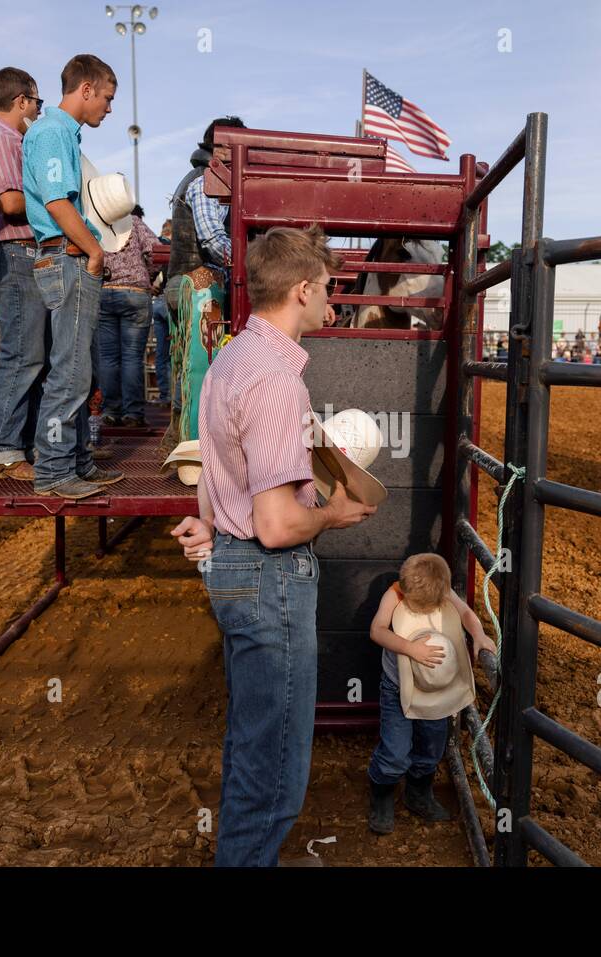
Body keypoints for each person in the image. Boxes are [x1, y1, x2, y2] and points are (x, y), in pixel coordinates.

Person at [169, 224, 378, 867]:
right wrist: (334, 514)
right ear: (303, 289)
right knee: (280, 766)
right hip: (270, 576)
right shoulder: (277, 381)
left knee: (253, 740)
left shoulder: (231, 356)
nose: (333, 305)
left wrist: (211, 520)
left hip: (233, 567)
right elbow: (280, 525)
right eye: (329, 292)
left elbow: (209, 459)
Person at [21, 53, 124, 499]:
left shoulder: (58, 132)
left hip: (66, 255)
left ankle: (76, 461)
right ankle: (55, 471)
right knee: (71, 370)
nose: (109, 106)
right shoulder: (53, 131)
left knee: (79, 367)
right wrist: (95, 250)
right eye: (106, 96)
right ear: (85, 89)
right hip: (67, 256)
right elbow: (57, 203)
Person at [366, 553, 495, 834]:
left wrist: (480, 635)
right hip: (397, 686)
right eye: (417, 607)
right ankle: (382, 794)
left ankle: (418, 793)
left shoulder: (442, 589)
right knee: (395, 752)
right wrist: (410, 648)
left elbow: (465, 613)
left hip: (437, 690)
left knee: (432, 746)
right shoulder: (396, 593)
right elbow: (376, 630)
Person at [0, 66, 46, 483]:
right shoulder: (1, 140)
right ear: (22, 101)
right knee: (23, 352)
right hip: (15, 250)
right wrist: (54, 201)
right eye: (36, 102)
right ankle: (4, 449)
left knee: (30, 352)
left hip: (18, 252)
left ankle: (21, 445)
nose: (38, 109)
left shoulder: (6, 139)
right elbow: (12, 202)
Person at [161, 116, 247, 455]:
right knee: (202, 363)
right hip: (196, 283)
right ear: (218, 146)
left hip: (190, 283)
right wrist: (252, 264)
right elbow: (214, 240)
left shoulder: (206, 178)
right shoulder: (205, 182)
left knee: (189, 364)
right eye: (231, 144)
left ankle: (183, 438)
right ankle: (197, 445)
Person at [97, 204, 157, 427]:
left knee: (108, 357)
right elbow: (154, 250)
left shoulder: (98, 224)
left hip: (104, 291)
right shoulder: (134, 222)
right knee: (132, 357)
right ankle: (133, 414)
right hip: (135, 292)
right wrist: (149, 276)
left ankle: (111, 411)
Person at [150, 218, 173, 406]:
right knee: (176, 351)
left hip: (156, 303)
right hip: (171, 301)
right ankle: (176, 397)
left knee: (161, 354)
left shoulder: (156, 243)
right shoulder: (176, 247)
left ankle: (164, 395)